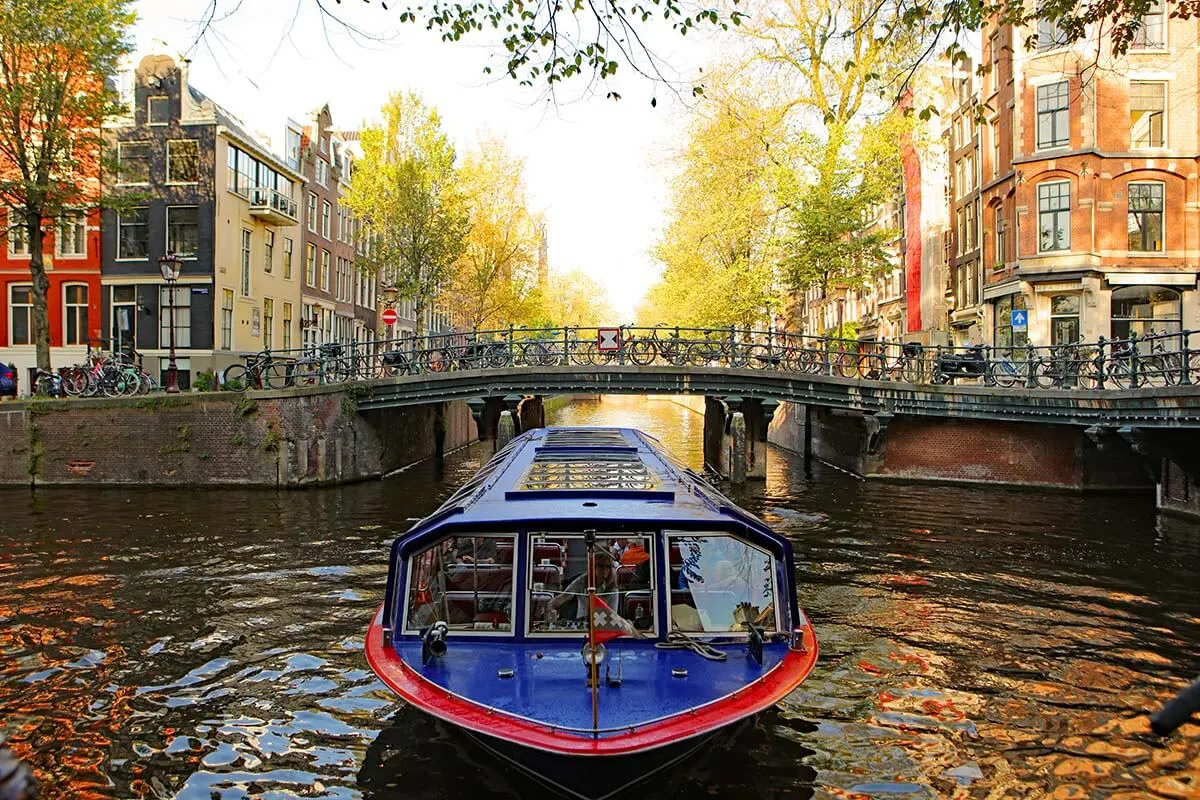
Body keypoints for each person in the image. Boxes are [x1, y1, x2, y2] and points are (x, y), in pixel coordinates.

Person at [544, 550, 621, 624]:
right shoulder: (582, 580)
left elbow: (612, 615)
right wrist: (551, 605)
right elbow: (565, 596)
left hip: (605, 624)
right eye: (601, 566)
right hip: (583, 621)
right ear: (593, 566)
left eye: (608, 566)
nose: (605, 569)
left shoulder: (612, 587)